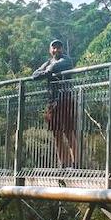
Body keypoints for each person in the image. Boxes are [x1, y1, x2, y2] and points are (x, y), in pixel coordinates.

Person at [32, 40, 77, 168]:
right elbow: (34, 75)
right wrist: (47, 71)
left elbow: (53, 68)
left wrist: (47, 71)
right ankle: (63, 164)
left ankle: (76, 164)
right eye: (54, 48)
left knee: (68, 131)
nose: (56, 50)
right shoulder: (48, 62)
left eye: (58, 48)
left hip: (65, 99)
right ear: (50, 49)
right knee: (56, 133)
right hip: (52, 102)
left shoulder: (66, 60)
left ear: (62, 49)